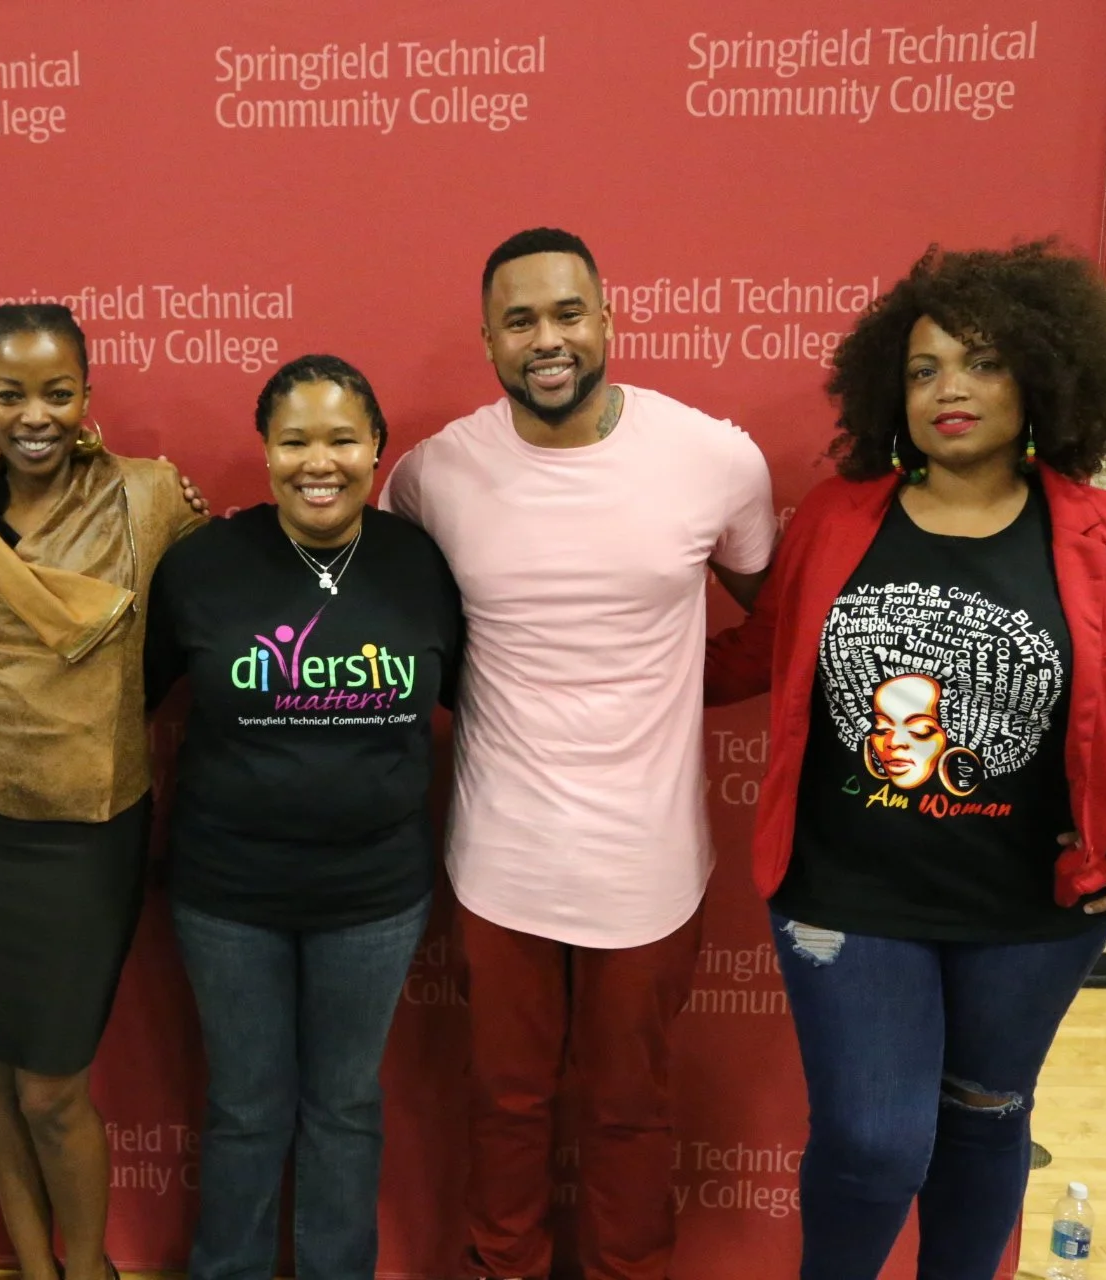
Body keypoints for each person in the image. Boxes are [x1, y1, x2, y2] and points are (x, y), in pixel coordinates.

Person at [704, 242, 1106, 1280]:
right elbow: (754, 655)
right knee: (875, 1140)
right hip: (845, 891)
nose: (949, 390)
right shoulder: (838, 518)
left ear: (1044, 378)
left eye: (982, 362)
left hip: (1034, 909)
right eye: (924, 369)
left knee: (986, 1117)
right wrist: (579, 665)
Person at [380, 227, 777, 1280]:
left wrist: (676, 686)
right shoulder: (432, 475)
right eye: (519, 321)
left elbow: (775, 616)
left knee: (630, 1110)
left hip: (649, 863)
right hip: (500, 857)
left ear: (608, 317)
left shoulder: (713, 458)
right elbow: (394, 620)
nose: (546, 340)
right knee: (504, 1103)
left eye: (566, 313)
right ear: (488, 340)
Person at [143, 354, 462, 1280]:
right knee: (245, 1108)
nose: (318, 462)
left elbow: (482, 694)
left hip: (374, 896)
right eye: (294, 441)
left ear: (377, 449)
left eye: (342, 440)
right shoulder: (202, 565)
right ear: (266, 450)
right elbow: (126, 698)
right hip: (228, 895)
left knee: (345, 1107)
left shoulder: (422, 565)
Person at [0, 303, 203, 1280]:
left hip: (88, 831)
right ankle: (35, 1270)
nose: (33, 414)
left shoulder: (149, 496)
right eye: (10, 394)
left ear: (87, 395)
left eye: (56, 392)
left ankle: (88, 1269)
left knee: (50, 1088)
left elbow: (217, 607)